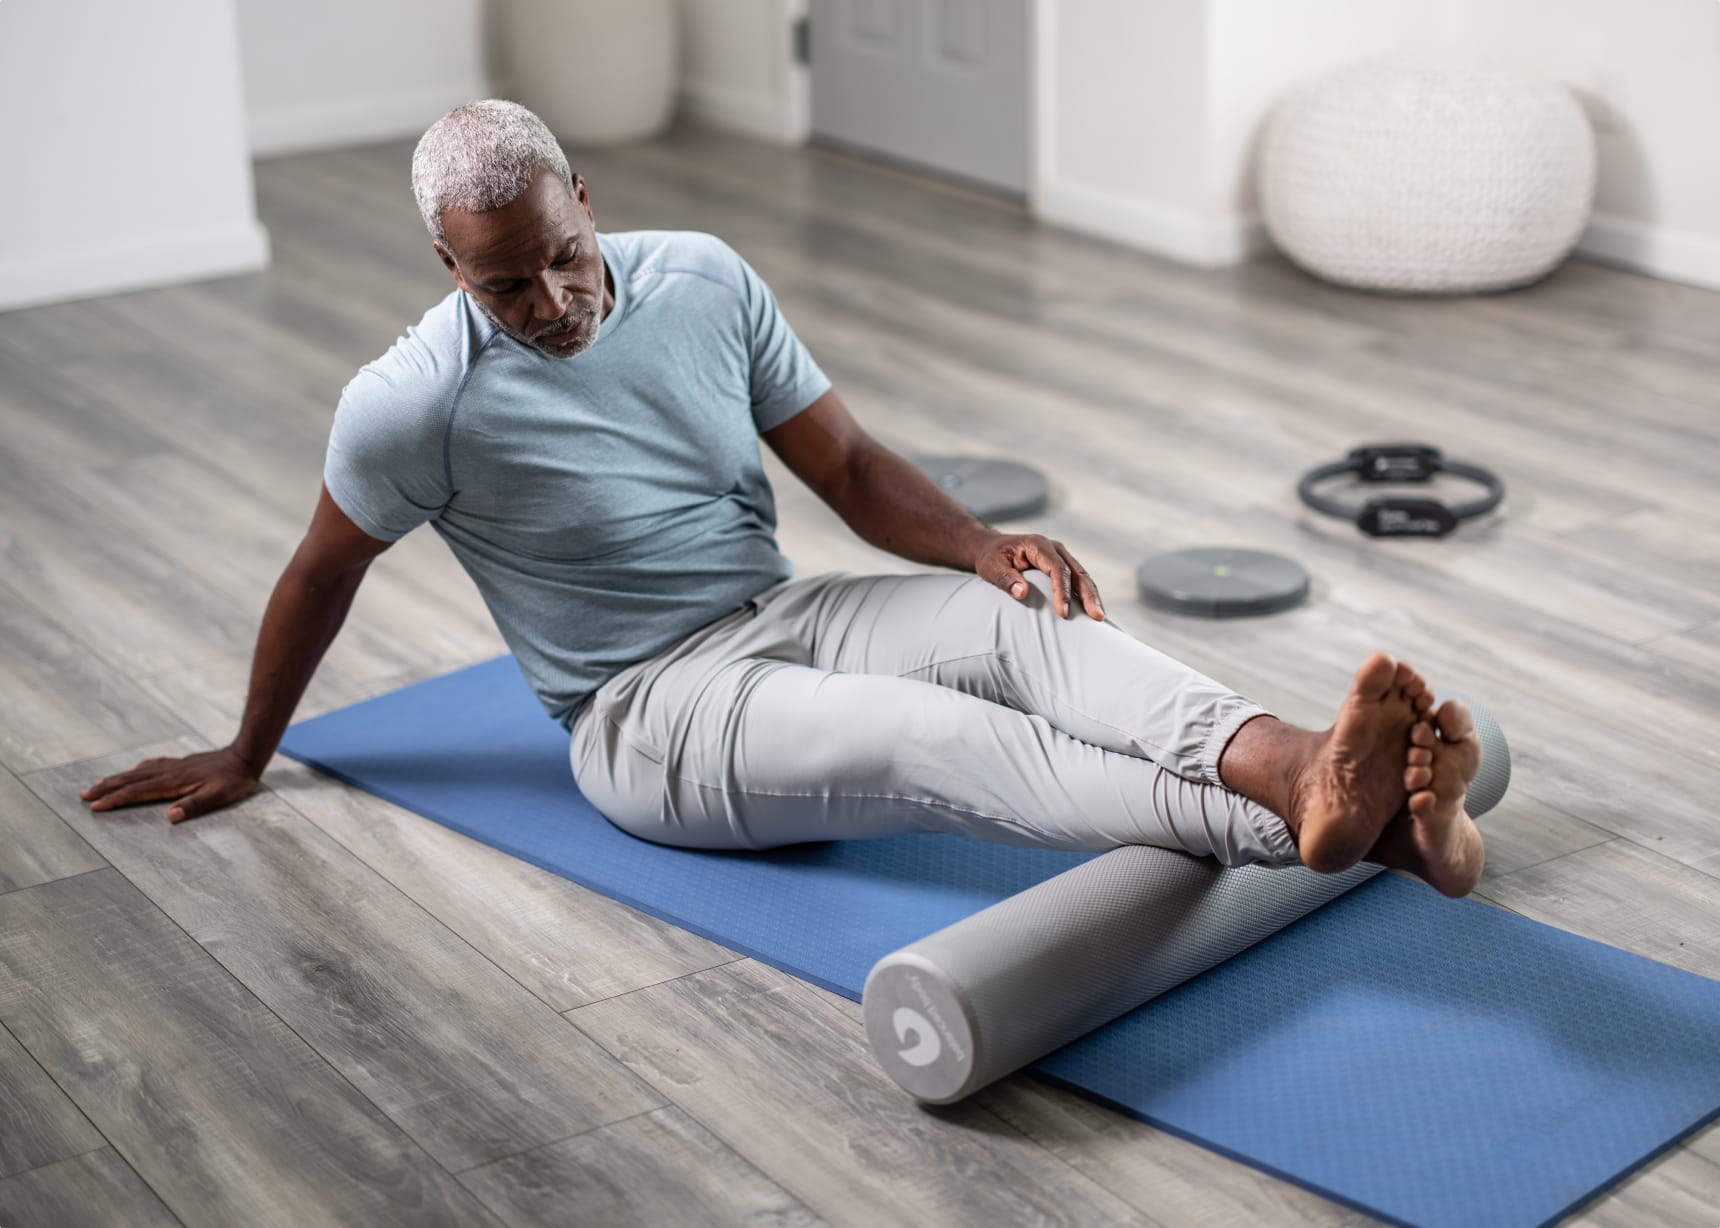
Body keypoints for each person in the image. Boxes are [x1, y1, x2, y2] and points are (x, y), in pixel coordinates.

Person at [82, 101, 1486, 896]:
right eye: (503, 282)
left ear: (585, 194)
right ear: (446, 264)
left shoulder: (698, 273)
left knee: (1029, 635)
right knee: (931, 735)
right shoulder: (412, 402)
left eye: (564, 255)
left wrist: (984, 547)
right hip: (646, 712)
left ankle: (1327, 776)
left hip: (788, 609)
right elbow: (322, 570)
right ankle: (1307, 816)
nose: (553, 300)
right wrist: (247, 749)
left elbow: (851, 468)